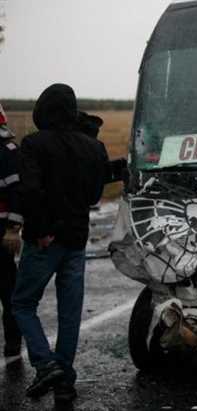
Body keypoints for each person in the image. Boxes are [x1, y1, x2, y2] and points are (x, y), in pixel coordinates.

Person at [11, 84, 108, 403]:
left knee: (23, 303)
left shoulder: (33, 144)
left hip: (45, 240)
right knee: (69, 313)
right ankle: (64, 381)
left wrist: (41, 230)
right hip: (77, 239)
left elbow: (30, 191)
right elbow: (94, 196)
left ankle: (45, 364)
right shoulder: (93, 147)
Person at [0, 103, 23, 358]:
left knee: (7, 289)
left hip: (1, 230)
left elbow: (18, 193)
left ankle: (13, 342)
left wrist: (13, 229)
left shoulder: (8, 151)